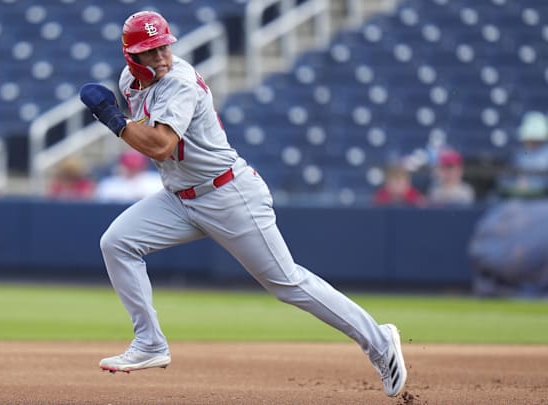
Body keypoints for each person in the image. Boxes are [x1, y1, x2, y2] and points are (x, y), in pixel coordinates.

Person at [79, 10, 407, 397]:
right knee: (117, 242)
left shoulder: (179, 82)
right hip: (179, 197)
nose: (163, 57)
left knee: (287, 283)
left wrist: (114, 120)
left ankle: (380, 342)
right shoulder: (129, 81)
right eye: (151, 52)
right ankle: (150, 343)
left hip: (226, 193)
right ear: (132, 57)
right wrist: (120, 119)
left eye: (165, 47)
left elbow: (162, 146)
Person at [497, 111, 548, 198]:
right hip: (518, 201)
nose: (528, 142)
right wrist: (516, 184)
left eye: (534, 140)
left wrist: (531, 186)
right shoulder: (519, 155)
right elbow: (504, 180)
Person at [94, 149, 164, 203]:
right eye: (130, 167)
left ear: (143, 166)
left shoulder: (156, 181)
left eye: (135, 168)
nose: (133, 170)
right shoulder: (109, 184)